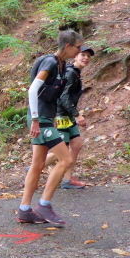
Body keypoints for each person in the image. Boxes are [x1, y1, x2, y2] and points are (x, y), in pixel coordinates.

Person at [17, 30, 84, 225]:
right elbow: (33, 90)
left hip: (46, 118)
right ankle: (44, 205)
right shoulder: (51, 62)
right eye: (78, 47)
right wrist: (36, 120)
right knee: (66, 159)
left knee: (38, 165)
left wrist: (50, 117)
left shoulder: (62, 65)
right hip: (40, 119)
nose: (79, 51)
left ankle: (24, 210)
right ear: (67, 46)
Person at [45, 46, 94, 189]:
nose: (86, 58)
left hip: (68, 114)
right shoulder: (70, 72)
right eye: (83, 55)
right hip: (62, 115)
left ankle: (67, 180)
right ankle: (34, 168)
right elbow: (63, 96)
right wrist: (76, 114)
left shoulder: (75, 72)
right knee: (61, 150)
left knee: (76, 145)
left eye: (88, 56)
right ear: (75, 57)